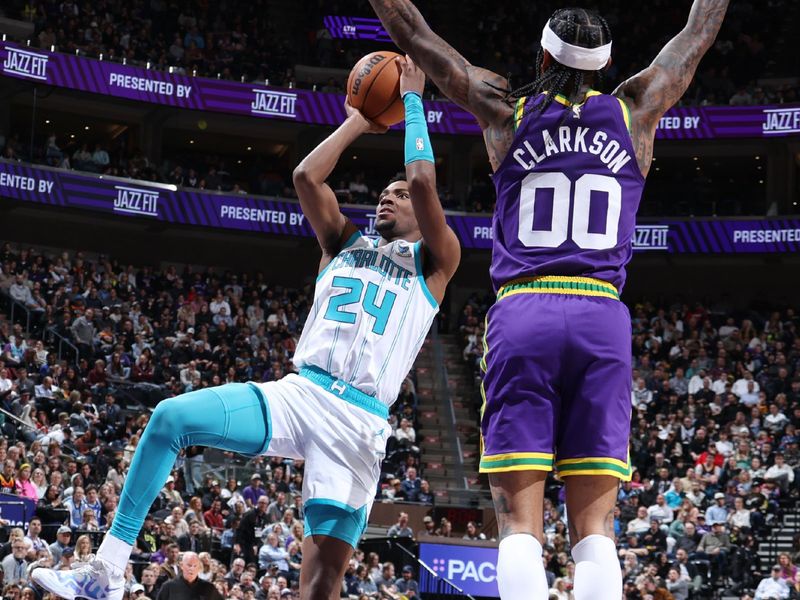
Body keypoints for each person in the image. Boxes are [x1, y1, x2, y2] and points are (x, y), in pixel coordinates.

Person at [31, 57, 459, 600]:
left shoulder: (436, 262)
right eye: (383, 192)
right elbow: (306, 176)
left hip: (360, 424)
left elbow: (423, 179)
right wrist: (360, 121)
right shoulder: (342, 243)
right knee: (169, 417)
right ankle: (106, 569)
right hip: (302, 392)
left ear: (423, 214)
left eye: (397, 195)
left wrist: (414, 101)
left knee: (320, 586)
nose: (387, 196)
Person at [368, 2, 729, 600]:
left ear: (542, 56)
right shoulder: (636, 110)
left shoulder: (504, 110)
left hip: (526, 311)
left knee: (517, 523)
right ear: (608, 65)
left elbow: (416, 33)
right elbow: (695, 34)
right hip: (600, 317)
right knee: (595, 528)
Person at [156, 551, 222, 600]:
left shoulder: (209, 587)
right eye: (189, 565)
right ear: (182, 565)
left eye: (195, 566)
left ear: (199, 567)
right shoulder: (168, 587)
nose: (192, 569)